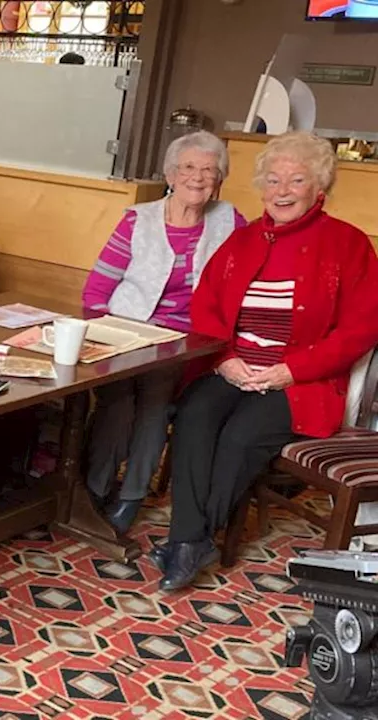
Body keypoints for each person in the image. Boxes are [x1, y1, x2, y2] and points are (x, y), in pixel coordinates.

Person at [155, 131, 378, 591]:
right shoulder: (242, 241)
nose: (282, 190)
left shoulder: (349, 244)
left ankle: (188, 539)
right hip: (235, 364)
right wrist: (226, 359)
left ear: (319, 189)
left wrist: (291, 370)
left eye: (296, 180)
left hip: (300, 379)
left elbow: (362, 329)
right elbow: (207, 307)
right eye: (273, 180)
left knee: (240, 436)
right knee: (196, 413)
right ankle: (191, 542)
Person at [81, 130, 245, 533]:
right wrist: (107, 338)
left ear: (220, 178)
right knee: (117, 399)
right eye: (189, 167)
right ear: (171, 174)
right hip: (126, 332)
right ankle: (92, 488)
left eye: (209, 170)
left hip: (188, 342)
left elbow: (243, 282)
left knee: (155, 398)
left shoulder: (230, 221)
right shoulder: (139, 220)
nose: (198, 177)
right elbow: (96, 291)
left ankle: (131, 496)